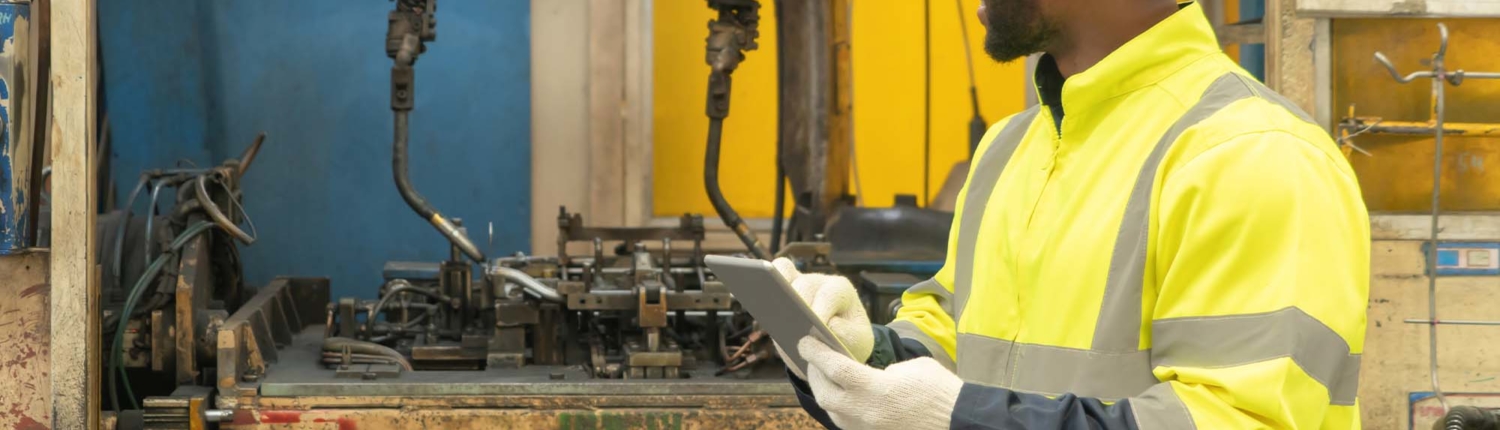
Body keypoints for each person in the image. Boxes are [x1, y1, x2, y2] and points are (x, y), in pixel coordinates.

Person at [776, 0, 1369, 428]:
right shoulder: (1010, 146)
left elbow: (1237, 420)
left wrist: (959, 420)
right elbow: (961, 338)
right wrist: (855, 354)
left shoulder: (1252, 153)